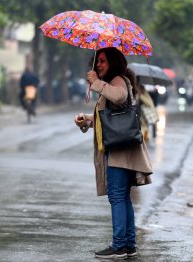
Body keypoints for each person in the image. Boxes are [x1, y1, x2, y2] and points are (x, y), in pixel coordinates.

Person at [74, 47, 153, 260]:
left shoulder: (118, 80)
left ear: (113, 63)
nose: (98, 65)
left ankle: (119, 245)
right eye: (97, 61)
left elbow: (119, 97)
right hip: (121, 148)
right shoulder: (113, 82)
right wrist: (87, 120)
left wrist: (96, 83)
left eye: (102, 61)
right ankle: (129, 244)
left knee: (117, 197)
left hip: (120, 150)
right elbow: (109, 119)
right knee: (122, 197)